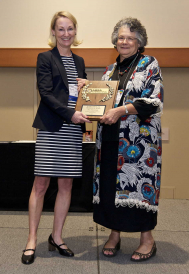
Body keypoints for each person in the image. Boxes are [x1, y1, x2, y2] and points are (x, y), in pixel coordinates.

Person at [21, 11, 90, 265]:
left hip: (72, 131)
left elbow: (78, 95)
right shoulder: (45, 58)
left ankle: (57, 237)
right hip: (52, 128)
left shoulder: (80, 60)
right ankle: (31, 239)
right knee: (41, 185)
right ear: (53, 32)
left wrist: (86, 89)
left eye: (70, 29)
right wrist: (70, 114)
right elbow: (46, 94)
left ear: (75, 31)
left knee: (66, 185)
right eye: (61, 29)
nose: (66, 34)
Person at [92, 17, 163, 261]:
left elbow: (154, 101)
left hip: (139, 144)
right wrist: (86, 92)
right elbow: (99, 103)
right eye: (121, 37)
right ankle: (114, 234)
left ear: (139, 42)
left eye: (130, 38)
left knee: (140, 189)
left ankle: (147, 239)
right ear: (115, 41)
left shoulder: (149, 64)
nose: (124, 41)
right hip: (110, 140)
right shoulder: (109, 71)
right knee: (111, 187)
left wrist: (121, 110)